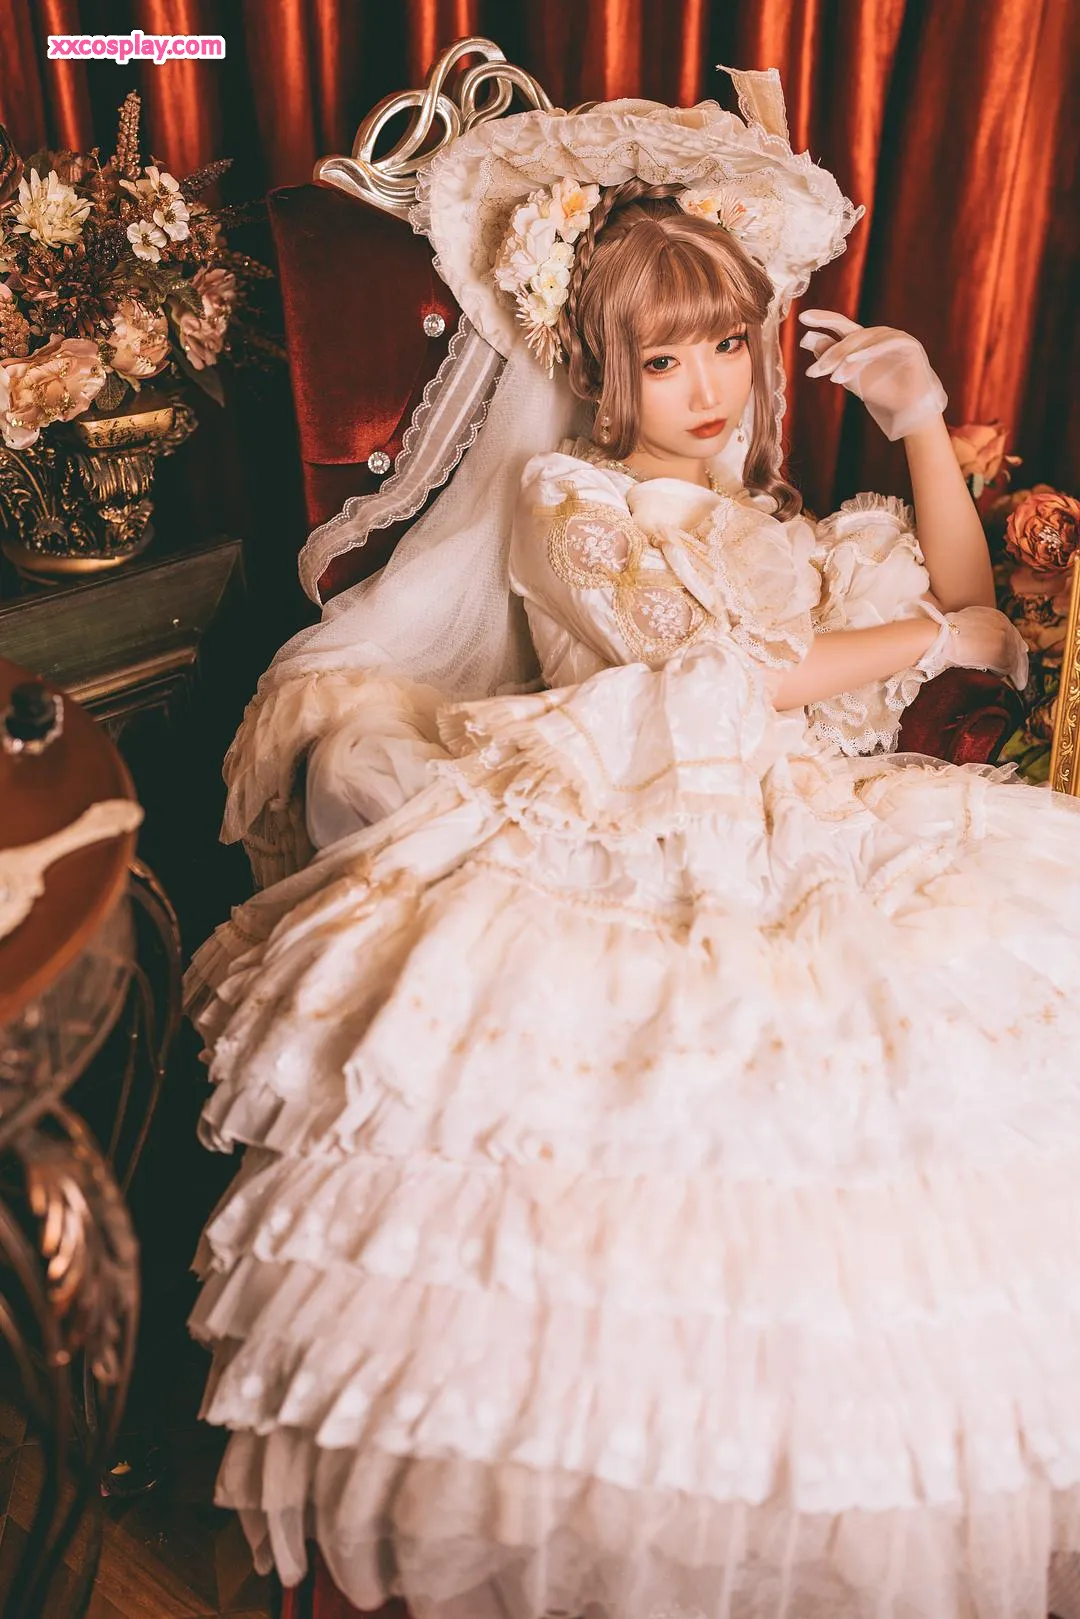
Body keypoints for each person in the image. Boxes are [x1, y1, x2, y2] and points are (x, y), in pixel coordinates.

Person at [187, 73, 1080, 1619]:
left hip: (813, 818)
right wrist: (928, 639)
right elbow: (715, 676)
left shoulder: (774, 518)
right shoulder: (572, 503)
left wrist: (921, 420)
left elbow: (970, 611)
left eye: (728, 343)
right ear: (602, 372)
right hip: (644, 813)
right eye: (666, 358)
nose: (712, 384)